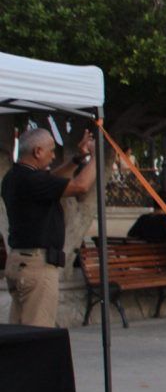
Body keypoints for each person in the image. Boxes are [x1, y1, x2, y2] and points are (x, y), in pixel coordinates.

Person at [2, 128, 96, 327]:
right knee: (38, 331)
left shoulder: (15, 177)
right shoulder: (31, 180)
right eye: (51, 151)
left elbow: (53, 180)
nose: (54, 156)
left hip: (21, 261)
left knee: (19, 332)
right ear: (37, 151)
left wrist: (77, 159)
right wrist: (98, 157)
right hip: (37, 265)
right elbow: (81, 185)